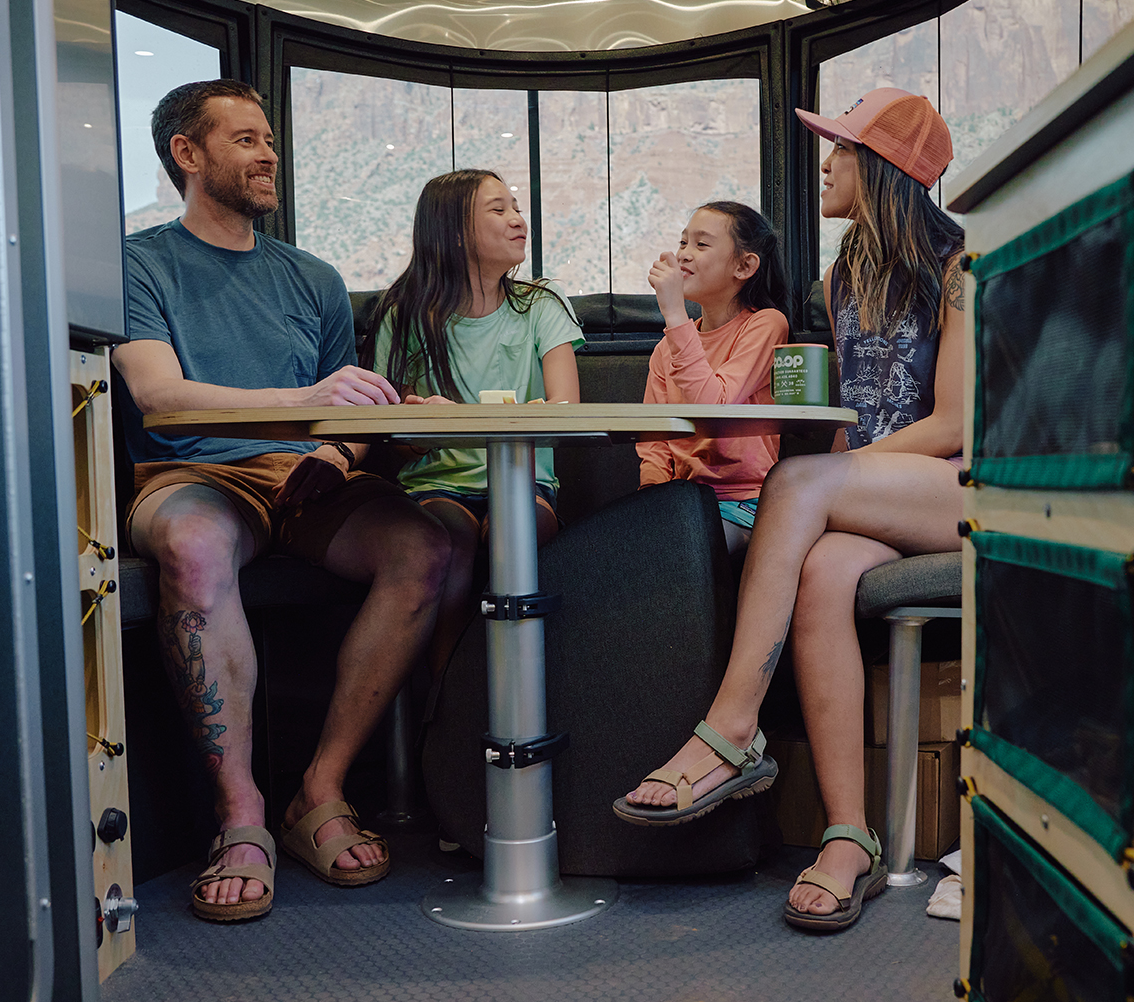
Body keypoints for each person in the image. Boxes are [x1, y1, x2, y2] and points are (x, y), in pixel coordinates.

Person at [613, 88, 966, 932]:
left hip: (964, 486)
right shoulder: (840, 278)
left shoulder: (963, 267)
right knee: (819, 569)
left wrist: (831, 482)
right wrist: (836, 487)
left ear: (883, 168)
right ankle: (851, 837)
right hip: (885, 492)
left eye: (841, 150)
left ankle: (731, 731)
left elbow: (956, 421)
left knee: (798, 484)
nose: (826, 164)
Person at [114, 79, 454, 923]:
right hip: (195, 474)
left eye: (269, 139)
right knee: (191, 547)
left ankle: (320, 790)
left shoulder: (313, 276)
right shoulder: (137, 261)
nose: (268, 154)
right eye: (244, 140)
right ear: (187, 155)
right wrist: (308, 397)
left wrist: (338, 451)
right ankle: (241, 818)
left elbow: (348, 413)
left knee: (427, 548)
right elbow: (158, 397)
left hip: (306, 481)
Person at [361, 170, 584, 691]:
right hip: (439, 485)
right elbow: (393, 436)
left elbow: (566, 411)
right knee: (452, 545)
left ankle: (521, 696)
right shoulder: (404, 313)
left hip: (526, 482)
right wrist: (423, 420)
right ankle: (449, 702)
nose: (517, 220)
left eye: (516, 208)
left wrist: (460, 417)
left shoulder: (541, 304)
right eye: (498, 210)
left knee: (515, 535)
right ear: (456, 231)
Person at [636, 201, 791, 559]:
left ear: (744, 266)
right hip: (684, 502)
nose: (684, 255)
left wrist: (674, 312)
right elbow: (654, 442)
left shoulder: (765, 325)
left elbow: (714, 406)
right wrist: (651, 502)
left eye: (701, 245)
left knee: (675, 553)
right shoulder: (667, 348)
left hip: (747, 504)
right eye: (683, 243)